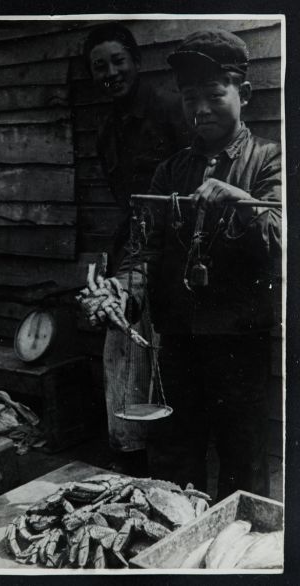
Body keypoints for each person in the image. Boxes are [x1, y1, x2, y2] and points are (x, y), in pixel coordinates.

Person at [116, 29, 282, 499]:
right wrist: (120, 293)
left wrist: (239, 199)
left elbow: (280, 239)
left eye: (213, 94)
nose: (201, 109)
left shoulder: (270, 159)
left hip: (239, 341)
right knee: (175, 455)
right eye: (190, 97)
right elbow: (143, 251)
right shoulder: (171, 171)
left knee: (242, 457)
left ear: (243, 94)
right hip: (179, 341)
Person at [83, 23, 187, 475]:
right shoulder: (106, 130)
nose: (110, 73)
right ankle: (132, 458)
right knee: (123, 345)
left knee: (168, 356)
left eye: (118, 61)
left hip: (177, 247)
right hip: (136, 248)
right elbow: (124, 200)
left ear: (137, 62)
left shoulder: (168, 109)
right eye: (99, 67)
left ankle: (169, 463)